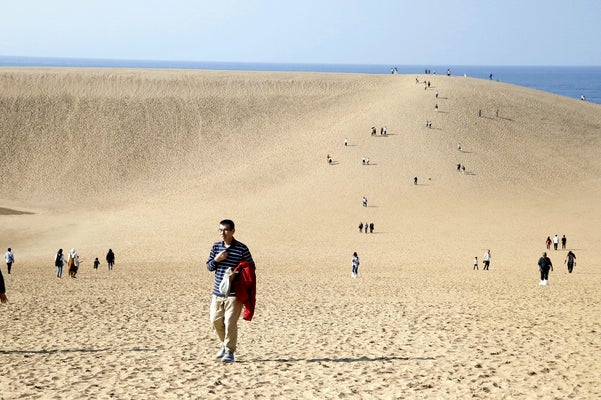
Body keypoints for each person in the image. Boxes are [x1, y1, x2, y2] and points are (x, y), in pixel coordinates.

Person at [206, 219, 255, 364]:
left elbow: (251, 267)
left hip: (234, 294)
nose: (223, 233)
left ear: (233, 231)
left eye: (226, 230)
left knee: (230, 322)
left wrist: (237, 274)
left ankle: (229, 352)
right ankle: (225, 344)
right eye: (220, 230)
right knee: (215, 321)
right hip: (218, 292)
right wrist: (217, 259)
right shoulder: (216, 247)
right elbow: (209, 266)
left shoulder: (242, 248)